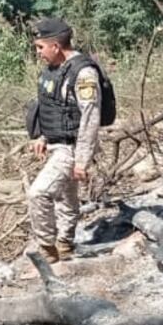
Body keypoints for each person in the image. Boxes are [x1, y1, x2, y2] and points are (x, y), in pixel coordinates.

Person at [27, 17, 101, 262]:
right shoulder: (54, 70)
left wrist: (81, 160)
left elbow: (90, 117)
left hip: (71, 148)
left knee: (39, 193)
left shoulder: (83, 73)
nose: (38, 53)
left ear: (56, 46)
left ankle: (47, 249)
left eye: (40, 47)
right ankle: (65, 245)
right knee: (66, 198)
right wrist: (43, 136)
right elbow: (56, 107)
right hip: (58, 144)